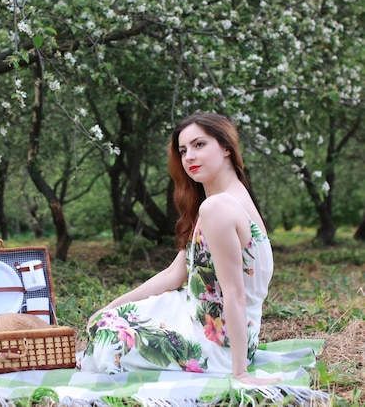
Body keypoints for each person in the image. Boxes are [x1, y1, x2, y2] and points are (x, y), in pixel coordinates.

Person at [80, 113, 280, 386]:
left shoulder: (217, 207)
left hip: (216, 342)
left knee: (107, 335)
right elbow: (174, 274)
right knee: (108, 320)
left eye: (199, 145)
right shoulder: (227, 199)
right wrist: (110, 306)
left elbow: (236, 294)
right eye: (183, 150)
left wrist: (240, 372)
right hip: (200, 316)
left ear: (226, 148)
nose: (189, 157)